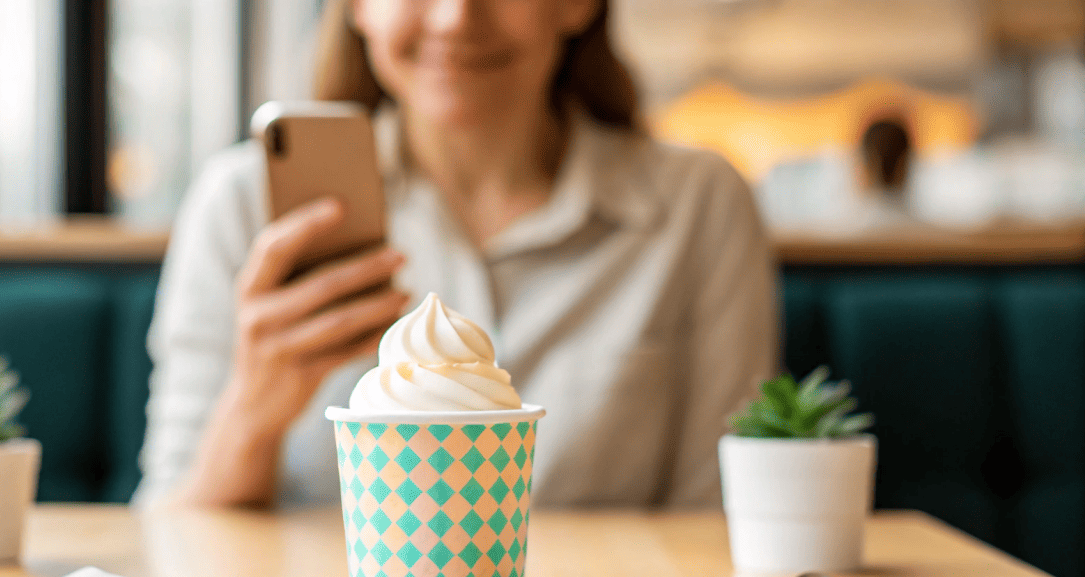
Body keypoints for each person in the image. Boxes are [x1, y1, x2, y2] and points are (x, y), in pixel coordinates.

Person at [133, 0, 779, 509]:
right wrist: (255, 406)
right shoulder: (244, 205)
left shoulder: (701, 206)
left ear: (579, 4)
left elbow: (717, 516)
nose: (456, 17)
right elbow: (173, 523)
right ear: (358, 5)